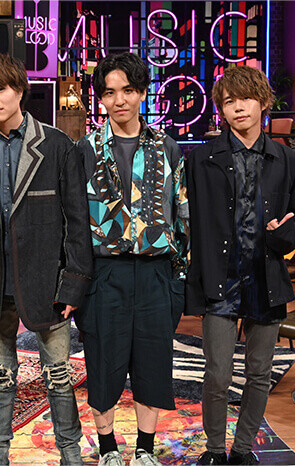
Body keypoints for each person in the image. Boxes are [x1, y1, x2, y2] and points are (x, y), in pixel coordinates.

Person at [0, 52, 93, 465]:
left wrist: (73, 284)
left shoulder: (56, 145)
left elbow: (76, 222)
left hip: (47, 283)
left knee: (59, 377)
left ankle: (70, 455)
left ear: (19, 90)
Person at [187, 66, 295, 465]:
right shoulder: (202, 159)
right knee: (217, 375)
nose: (238, 107)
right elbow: (188, 220)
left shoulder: (287, 160)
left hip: (266, 278)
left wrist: (282, 234)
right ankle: (214, 450)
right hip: (219, 280)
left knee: (259, 373)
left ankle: (242, 450)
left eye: (246, 99)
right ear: (221, 109)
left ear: (263, 103)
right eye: (229, 101)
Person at [75, 52, 189, 466]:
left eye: (127, 90)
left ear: (141, 92)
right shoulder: (84, 150)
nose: (118, 100)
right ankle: (108, 449)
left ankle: (144, 450)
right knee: (103, 363)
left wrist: (180, 278)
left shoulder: (167, 148)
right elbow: (73, 219)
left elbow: (183, 214)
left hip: (157, 273)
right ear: (101, 99)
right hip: (104, 272)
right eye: (109, 93)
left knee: (153, 364)